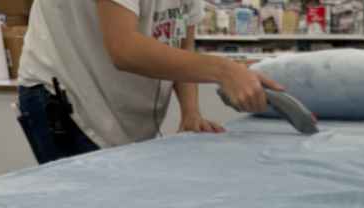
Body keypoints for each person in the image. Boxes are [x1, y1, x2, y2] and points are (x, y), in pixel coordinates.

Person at [17, 0, 284, 164]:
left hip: (118, 106)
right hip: (68, 98)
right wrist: (223, 70)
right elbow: (123, 48)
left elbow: (180, 40)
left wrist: (191, 113)